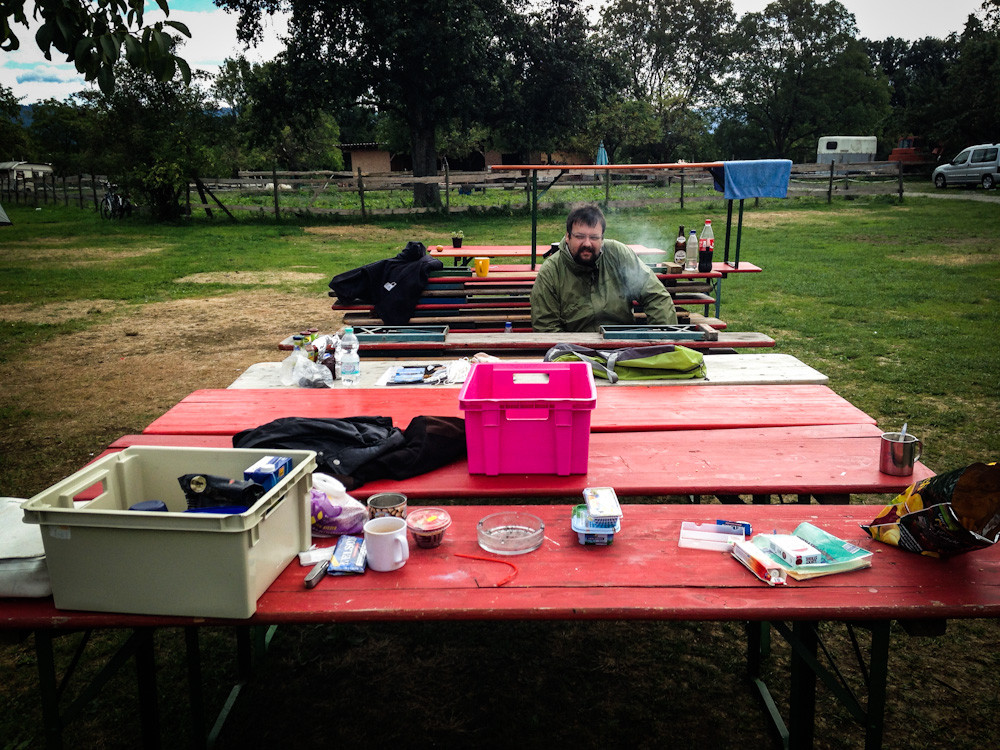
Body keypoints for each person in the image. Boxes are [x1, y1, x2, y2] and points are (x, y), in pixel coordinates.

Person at [530, 204, 677, 332]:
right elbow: (546, 327)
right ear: (568, 237)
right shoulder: (551, 271)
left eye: (594, 237)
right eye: (580, 236)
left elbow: (655, 296)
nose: (587, 243)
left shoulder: (618, 255)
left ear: (602, 238)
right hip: (574, 351)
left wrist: (664, 339)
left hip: (622, 345)